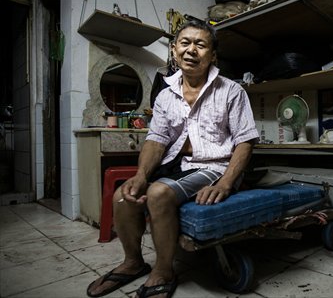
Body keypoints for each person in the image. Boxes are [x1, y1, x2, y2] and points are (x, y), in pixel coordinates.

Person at [87, 20, 259, 298]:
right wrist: (141, 174)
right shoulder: (166, 96)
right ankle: (133, 263)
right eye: (185, 43)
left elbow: (245, 141)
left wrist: (227, 182)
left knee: (158, 193)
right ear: (174, 50)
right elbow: (156, 140)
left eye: (200, 45)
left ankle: (164, 271)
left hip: (214, 166)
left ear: (212, 55)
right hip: (178, 166)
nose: (192, 50)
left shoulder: (231, 91)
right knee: (123, 195)